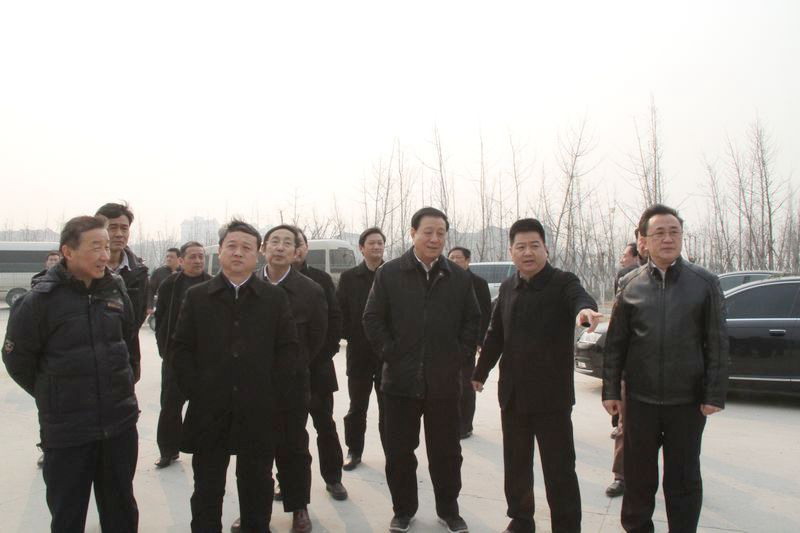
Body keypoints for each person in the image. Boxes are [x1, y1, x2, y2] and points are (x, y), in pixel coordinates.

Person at [3, 215, 140, 532]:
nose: (105, 255)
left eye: (107, 247)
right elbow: (17, 360)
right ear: (68, 251)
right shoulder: (39, 301)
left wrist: (121, 388)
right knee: (68, 514)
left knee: (121, 509)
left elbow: (129, 343)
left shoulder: (115, 290)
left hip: (119, 425)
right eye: (96, 247)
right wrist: (53, 393)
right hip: (68, 431)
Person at [602, 204, 728, 533]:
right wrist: (611, 391)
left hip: (687, 402)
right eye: (659, 232)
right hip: (640, 401)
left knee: (683, 479)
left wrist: (713, 393)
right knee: (638, 478)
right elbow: (616, 343)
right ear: (644, 240)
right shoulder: (630, 283)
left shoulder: (704, 283)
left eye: (674, 232)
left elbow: (717, 342)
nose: (668, 238)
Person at [472, 218, 601, 533]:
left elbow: (580, 299)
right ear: (511, 251)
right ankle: (521, 519)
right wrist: (480, 372)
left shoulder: (563, 282)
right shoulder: (508, 287)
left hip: (551, 398)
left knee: (559, 470)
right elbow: (495, 334)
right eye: (520, 247)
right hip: (513, 395)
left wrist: (585, 311)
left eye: (534, 246)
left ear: (545, 249)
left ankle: (566, 527)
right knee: (516, 465)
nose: (527, 252)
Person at [171, 219, 298, 533]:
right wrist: (198, 391)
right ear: (220, 252)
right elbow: (181, 349)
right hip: (209, 409)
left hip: (259, 410)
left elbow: (287, 351)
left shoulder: (274, 298)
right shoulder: (198, 296)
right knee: (207, 485)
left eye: (246, 248)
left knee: (257, 484)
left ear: (258, 254)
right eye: (232, 246)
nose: (238, 253)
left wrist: (272, 394)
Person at [364, 206, 480, 533]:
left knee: (447, 452)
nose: (434, 238)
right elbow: (372, 318)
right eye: (428, 232)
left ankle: (449, 510)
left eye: (441, 233)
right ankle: (403, 510)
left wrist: (457, 357)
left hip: (444, 383)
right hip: (400, 382)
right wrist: (391, 353)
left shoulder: (458, 277)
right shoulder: (389, 274)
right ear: (413, 233)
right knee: (400, 452)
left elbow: (472, 320)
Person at [230, 224, 329, 533]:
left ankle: (298, 507)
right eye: (274, 241)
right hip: (250, 387)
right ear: (263, 248)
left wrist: (293, 367)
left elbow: (318, 338)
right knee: (251, 453)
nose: (280, 247)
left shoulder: (311, 290)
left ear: (297, 251)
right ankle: (252, 511)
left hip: (291, 386)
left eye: (288, 242)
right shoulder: (244, 286)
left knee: (293, 449)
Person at [293, 229, 347, 501]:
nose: (294, 248)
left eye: (299, 243)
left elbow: (334, 319)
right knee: (289, 432)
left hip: (318, 369)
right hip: (282, 375)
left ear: (305, 248)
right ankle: (289, 482)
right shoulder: (266, 282)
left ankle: (333, 478)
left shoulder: (320, 279)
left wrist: (325, 353)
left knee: (325, 426)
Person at [153, 241, 211, 469]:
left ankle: (202, 447)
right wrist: (164, 350)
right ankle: (168, 450)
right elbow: (161, 320)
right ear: (181, 260)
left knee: (204, 407)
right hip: (175, 356)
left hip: (205, 358)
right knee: (170, 406)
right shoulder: (169, 285)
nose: (197, 260)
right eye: (192, 256)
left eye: (201, 256)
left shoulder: (213, 284)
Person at [337, 227, 387, 471]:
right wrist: (353, 335)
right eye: (371, 243)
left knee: (389, 408)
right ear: (361, 248)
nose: (376, 247)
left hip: (388, 354)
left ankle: (394, 451)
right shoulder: (349, 278)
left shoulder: (393, 274)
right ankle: (354, 450)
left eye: (380, 243)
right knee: (357, 406)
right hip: (359, 353)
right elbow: (340, 312)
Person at [607, 239, 648, 498]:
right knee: (625, 427)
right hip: (633, 372)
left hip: (674, 377)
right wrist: (611, 386)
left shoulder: (693, 282)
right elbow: (617, 335)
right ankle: (620, 476)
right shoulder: (629, 280)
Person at [95, 202, 149, 383]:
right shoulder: (85, 268)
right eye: (112, 227)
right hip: (87, 359)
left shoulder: (138, 272)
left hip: (124, 358)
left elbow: (137, 317)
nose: (119, 234)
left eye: (124, 228)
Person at [447, 246, 492, 439]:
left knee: (465, 384)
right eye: (451, 258)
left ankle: (465, 425)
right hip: (446, 342)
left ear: (467, 260)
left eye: (458, 258)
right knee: (447, 384)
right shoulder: (444, 280)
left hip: (467, 342)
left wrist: (479, 340)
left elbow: (485, 313)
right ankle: (450, 423)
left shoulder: (478, 283)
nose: (454, 261)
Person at [30, 250, 62, 468]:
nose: (54, 262)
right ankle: (47, 448)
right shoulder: (38, 286)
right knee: (48, 415)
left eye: (56, 260)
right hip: (49, 370)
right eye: (51, 260)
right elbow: (18, 355)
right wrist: (39, 383)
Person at [147, 247, 181, 314]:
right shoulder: (158, 272)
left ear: (179, 259)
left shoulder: (184, 272)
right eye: (167, 256)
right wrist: (149, 307)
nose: (168, 259)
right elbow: (150, 290)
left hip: (180, 310)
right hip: (162, 309)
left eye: (171, 257)